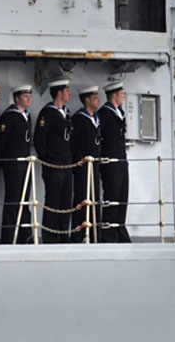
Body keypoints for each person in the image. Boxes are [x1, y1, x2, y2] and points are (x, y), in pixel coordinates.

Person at [34, 78, 73, 243]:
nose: (69, 94)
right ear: (59, 93)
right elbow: (39, 139)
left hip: (67, 164)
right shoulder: (47, 112)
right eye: (66, 91)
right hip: (54, 165)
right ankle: (50, 236)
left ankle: (64, 234)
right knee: (53, 201)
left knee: (66, 201)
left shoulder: (66, 112)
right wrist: (47, 159)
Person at [0, 84, 33, 244]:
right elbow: (3, 142)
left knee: (25, 200)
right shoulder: (9, 116)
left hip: (26, 162)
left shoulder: (27, 115)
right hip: (13, 163)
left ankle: (25, 234)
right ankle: (9, 235)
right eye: (25, 96)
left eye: (29, 96)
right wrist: (2, 162)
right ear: (17, 97)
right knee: (13, 200)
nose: (28, 99)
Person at [97, 82, 130, 243]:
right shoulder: (104, 114)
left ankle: (119, 228)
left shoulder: (119, 113)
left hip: (121, 160)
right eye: (121, 93)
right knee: (112, 197)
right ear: (114, 95)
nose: (123, 96)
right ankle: (109, 233)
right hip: (110, 162)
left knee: (122, 198)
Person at [70, 85, 102, 242]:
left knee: (95, 198)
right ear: (87, 99)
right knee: (82, 198)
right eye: (94, 97)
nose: (98, 99)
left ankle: (95, 233)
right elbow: (75, 144)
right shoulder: (79, 118)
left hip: (94, 165)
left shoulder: (95, 118)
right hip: (83, 166)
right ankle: (78, 233)